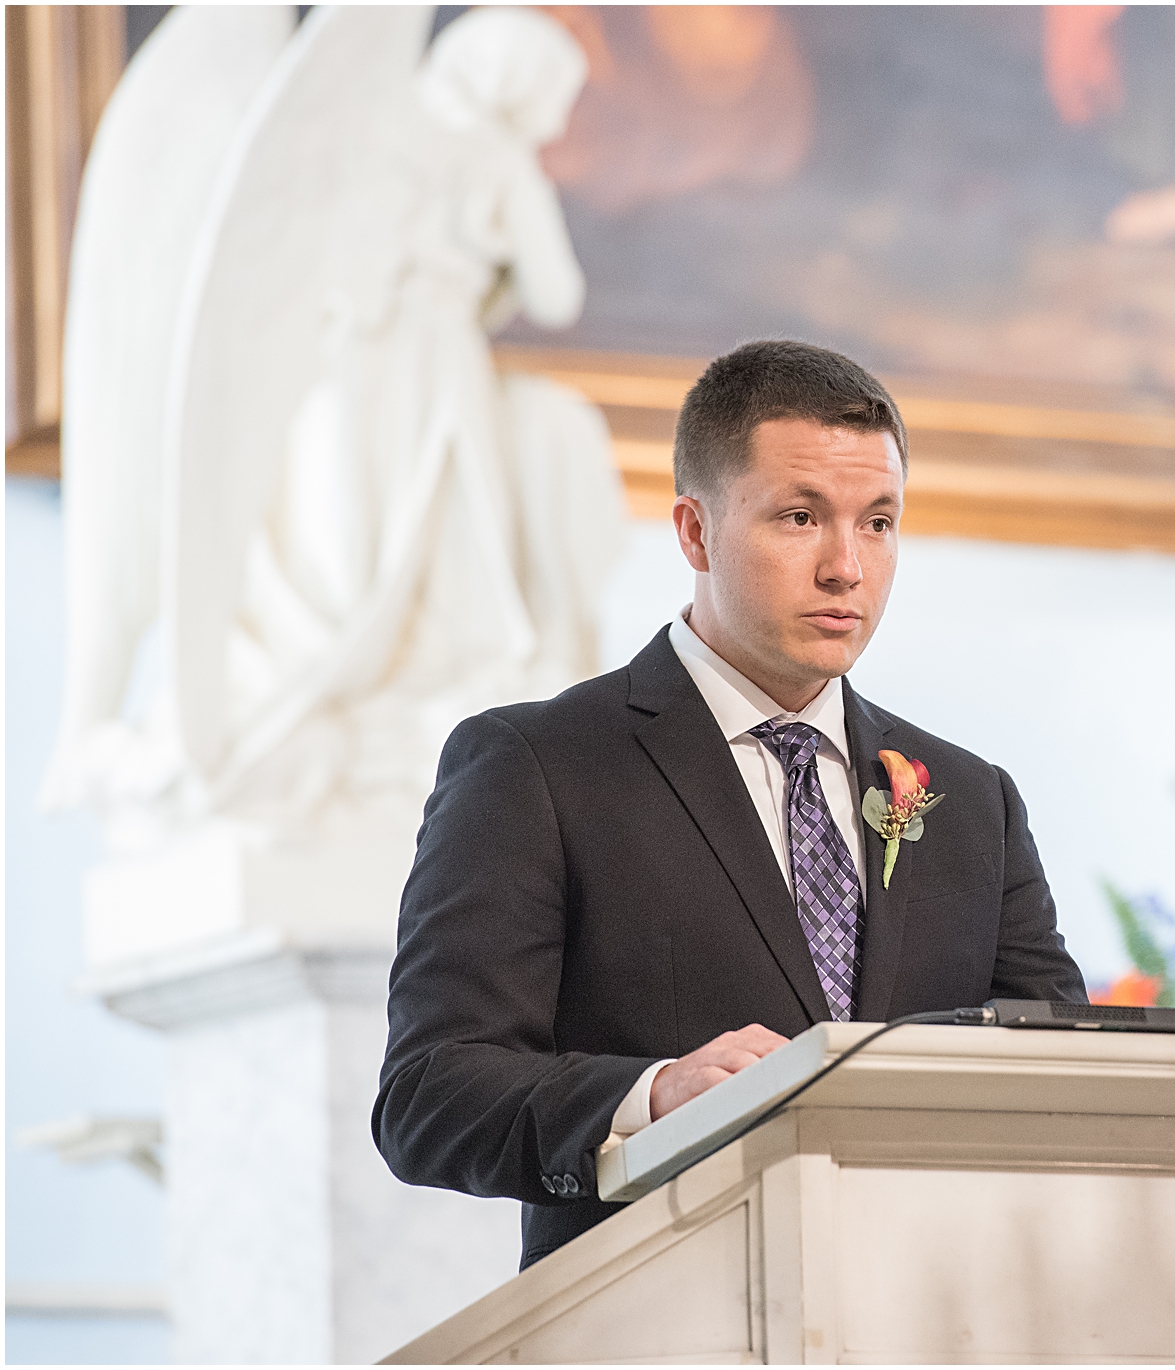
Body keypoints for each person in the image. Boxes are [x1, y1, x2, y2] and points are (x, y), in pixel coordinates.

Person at [373, 340, 1088, 1270]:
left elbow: (1065, 1076)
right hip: (658, 1310)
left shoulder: (970, 799)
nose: (846, 567)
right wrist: (656, 1094)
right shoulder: (536, 766)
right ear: (695, 532)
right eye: (800, 516)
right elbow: (430, 1097)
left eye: (878, 522)